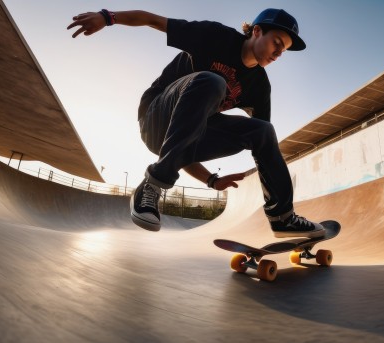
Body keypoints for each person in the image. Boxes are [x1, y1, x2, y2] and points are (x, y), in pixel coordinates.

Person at [68, 8, 326, 238]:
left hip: (185, 136)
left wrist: (211, 181)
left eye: (285, 49)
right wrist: (107, 18)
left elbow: (257, 145)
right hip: (156, 119)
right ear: (257, 31)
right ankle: (153, 185)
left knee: (263, 131)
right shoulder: (215, 36)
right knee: (213, 82)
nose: (279, 53)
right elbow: (153, 20)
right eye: (277, 43)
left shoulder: (259, 86)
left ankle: (283, 217)